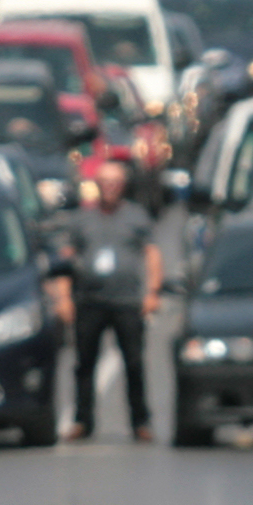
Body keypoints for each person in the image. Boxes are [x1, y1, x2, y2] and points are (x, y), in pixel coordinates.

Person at [55, 158, 161, 442]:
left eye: (115, 182)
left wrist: (152, 292)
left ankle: (141, 421)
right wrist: (64, 297)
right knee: (84, 363)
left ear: (123, 186)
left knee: (134, 363)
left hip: (127, 301)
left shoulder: (137, 216)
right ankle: (82, 421)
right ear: (97, 185)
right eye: (105, 182)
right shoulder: (81, 219)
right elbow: (66, 260)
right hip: (89, 300)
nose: (110, 188)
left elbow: (152, 254)